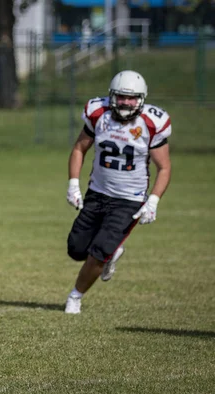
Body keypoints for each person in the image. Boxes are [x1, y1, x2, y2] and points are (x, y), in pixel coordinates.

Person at [64, 70, 172, 314]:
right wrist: (73, 183)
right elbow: (79, 149)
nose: (125, 102)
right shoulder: (98, 114)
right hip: (97, 193)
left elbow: (163, 168)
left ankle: (75, 296)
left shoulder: (151, 123)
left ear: (141, 99)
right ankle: (112, 251)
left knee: (99, 252)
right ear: (112, 96)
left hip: (129, 201)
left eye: (131, 98)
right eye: (121, 97)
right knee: (76, 249)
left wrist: (153, 201)